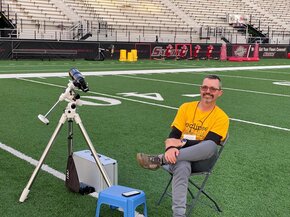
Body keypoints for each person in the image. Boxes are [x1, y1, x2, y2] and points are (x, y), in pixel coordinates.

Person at [137, 75, 229, 217]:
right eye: (205, 87)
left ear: (219, 93)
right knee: (182, 164)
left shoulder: (221, 117)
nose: (208, 91)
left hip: (202, 161)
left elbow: (209, 143)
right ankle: (179, 214)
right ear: (200, 89)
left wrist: (181, 143)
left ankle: (159, 159)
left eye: (213, 88)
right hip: (177, 156)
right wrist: (170, 148)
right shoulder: (186, 107)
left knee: (210, 146)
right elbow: (173, 135)